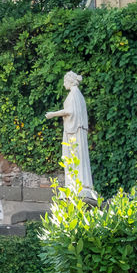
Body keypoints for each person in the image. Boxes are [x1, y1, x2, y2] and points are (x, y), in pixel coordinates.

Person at [45, 71, 98, 200]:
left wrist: (53, 114)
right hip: (76, 131)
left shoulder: (74, 94)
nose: (64, 84)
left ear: (70, 81)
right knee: (77, 156)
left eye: (65, 81)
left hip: (74, 132)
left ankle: (76, 184)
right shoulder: (78, 95)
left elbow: (70, 111)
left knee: (74, 155)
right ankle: (80, 183)